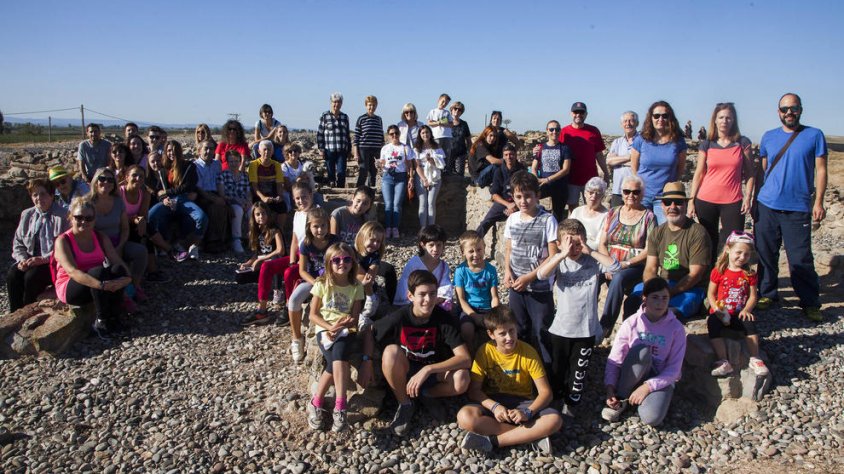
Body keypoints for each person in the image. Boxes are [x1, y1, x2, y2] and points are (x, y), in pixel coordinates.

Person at [755, 93, 828, 321]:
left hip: (798, 207)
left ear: (800, 110)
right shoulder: (768, 137)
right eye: (785, 109)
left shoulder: (814, 135)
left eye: (793, 108)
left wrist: (818, 202)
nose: (789, 113)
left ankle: (809, 301)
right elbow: (763, 171)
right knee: (766, 253)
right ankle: (767, 294)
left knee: (800, 258)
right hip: (767, 204)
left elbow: (821, 170)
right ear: (778, 112)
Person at [536, 219, 620, 416]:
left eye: (577, 244)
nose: (574, 249)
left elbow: (616, 268)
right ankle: (556, 400)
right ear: (560, 243)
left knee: (578, 371)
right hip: (561, 329)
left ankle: (572, 403)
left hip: (586, 329)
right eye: (569, 244)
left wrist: (590, 251)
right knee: (558, 369)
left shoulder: (592, 262)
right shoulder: (560, 261)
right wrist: (560, 254)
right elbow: (541, 274)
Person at [374, 269, 472, 437]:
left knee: (462, 379)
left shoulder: (443, 319)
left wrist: (428, 370)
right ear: (410, 296)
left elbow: (465, 358)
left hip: (434, 373)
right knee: (391, 352)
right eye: (422, 294)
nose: (428, 300)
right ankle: (405, 403)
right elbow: (370, 332)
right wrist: (366, 360)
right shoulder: (400, 317)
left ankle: (426, 395)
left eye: (432, 294)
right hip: (406, 371)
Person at [457, 306, 562, 454]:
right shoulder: (484, 352)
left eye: (512, 330)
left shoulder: (528, 352)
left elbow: (546, 393)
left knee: (554, 420)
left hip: (524, 402)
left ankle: (494, 442)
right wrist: (494, 407)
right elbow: (474, 391)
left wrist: (527, 412)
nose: (509, 337)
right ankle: (530, 435)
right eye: (502, 333)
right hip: (495, 402)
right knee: (464, 417)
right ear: (491, 334)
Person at [601, 277, 686, 426]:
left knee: (652, 418)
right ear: (644, 298)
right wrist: (610, 388)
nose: (660, 303)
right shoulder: (632, 323)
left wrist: (648, 387)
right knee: (642, 351)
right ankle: (622, 398)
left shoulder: (677, 328)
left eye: (664, 298)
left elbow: (674, 369)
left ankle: (642, 398)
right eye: (655, 297)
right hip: (632, 373)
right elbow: (615, 358)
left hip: (659, 379)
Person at [624, 182, 710, 319]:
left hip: (689, 288)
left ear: (685, 205)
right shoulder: (658, 232)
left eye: (678, 202)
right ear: (662, 205)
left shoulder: (697, 233)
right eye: (668, 202)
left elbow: (695, 275)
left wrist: (667, 294)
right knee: (632, 302)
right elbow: (650, 268)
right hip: (663, 283)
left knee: (670, 313)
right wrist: (652, 289)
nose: (673, 207)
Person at [306, 242, 366, 432]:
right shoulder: (322, 283)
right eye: (337, 260)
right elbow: (313, 315)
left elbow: (355, 319)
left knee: (336, 357)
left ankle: (318, 403)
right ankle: (340, 407)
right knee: (338, 357)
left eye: (347, 259)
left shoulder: (356, 286)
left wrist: (342, 326)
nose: (342, 263)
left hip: (346, 330)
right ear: (329, 263)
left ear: (353, 262)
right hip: (325, 330)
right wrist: (330, 327)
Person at [687, 103, 756, 263]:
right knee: (707, 242)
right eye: (721, 117)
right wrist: (691, 200)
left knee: (733, 243)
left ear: (733, 120)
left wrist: (748, 197)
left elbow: (750, 173)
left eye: (728, 118)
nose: (725, 121)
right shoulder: (707, 144)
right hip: (705, 199)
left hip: (732, 200)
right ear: (715, 120)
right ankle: (707, 280)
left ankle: (728, 279)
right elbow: (699, 173)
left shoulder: (742, 142)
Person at [53, 197, 132, 335]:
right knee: (98, 272)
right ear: (71, 218)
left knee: (117, 270)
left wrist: (127, 277)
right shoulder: (63, 241)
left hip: (98, 282)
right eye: (79, 217)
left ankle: (115, 317)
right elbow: (72, 271)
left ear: (94, 220)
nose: (84, 221)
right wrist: (101, 285)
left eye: (89, 218)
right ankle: (101, 321)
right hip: (71, 285)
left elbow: (116, 260)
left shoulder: (100, 237)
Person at [503, 171, 559, 363]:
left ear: (537, 195)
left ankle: (549, 376)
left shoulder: (548, 221)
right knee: (519, 329)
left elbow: (553, 257)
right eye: (518, 196)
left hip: (539, 288)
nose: (523, 201)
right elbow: (509, 247)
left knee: (542, 331)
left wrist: (530, 277)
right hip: (517, 286)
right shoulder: (512, 219)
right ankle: (524, 372)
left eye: (528, 196)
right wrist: (507, 271)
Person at [598, 175, 656, 336]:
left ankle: (605, 326)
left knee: (619, 278)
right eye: (626, 191)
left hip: (634, 264)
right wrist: (610, 264)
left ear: (642, 194)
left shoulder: (649, 217)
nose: (631, 195)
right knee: (593, 277)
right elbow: (602, 243)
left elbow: (649, 249)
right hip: (610, 260)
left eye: (635, 192)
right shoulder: (612, 213)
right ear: (622, 193)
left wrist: (626, 264)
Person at [707, 232, 769, 377]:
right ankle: (723, 361)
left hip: (739, 312)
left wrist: (747, 309)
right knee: (713, 324)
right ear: (728, 249)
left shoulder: (749, 274)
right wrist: (716, 309)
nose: (742, 257)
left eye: (746, 254)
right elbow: (710, 294)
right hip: (722, 311)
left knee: (749, 324)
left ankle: (755, 358)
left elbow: (753, 296)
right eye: (738, 252)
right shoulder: (719, 271)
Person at [89, 167, 148, 311]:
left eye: (110, 180)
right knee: (112, 265)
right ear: (96, 181)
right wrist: (108, 250)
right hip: (97, 245)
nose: (106, 182)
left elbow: (125, 228)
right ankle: (123, 297)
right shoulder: (88, 202)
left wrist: (121, 245)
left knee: (140, 251)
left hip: (117, 241)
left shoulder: (117, 202)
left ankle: (135, 284)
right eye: (102, 179)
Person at [288, 208, 340, 362]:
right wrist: (315, 283)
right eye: (316, 226)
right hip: (313, 280)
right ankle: (296, 338)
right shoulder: (306, 244)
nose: (320, 230)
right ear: (309, 227)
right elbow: (302, 270)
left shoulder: (335, 241)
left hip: (333, 279)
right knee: (293, 301)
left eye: (323, 226)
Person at [8, 179, 68, 312]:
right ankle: (14, 312)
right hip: (30, 259)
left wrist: (43, 259)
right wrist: (22, 259)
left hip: (52, 261)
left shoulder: (63, 216)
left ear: (52, 195)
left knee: (32, 277)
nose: (39, 198)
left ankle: (29, 311)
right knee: (13, 275)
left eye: (43, 194)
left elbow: (64, 247)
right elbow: (18, 242)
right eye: (35, 195)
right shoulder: (27, 214)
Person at [147, 140, 207, 261]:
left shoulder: (188, 166)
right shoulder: (163, 167)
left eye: (174, 149)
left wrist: (167, 192)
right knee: (151, 215)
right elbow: (158, 191)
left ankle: (190, 245)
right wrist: (164, 198)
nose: (171, 152)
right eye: (169, 150)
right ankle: (161, 245)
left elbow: (188, 186)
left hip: (183, 199)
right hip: (167, 201)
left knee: (202, 217)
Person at [631, 101, 688, 225]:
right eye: (656, 116)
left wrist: (670, 184)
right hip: (642, 196)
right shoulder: (641, 139)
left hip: (665, 197)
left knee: (666, 233)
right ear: (650, 118)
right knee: (640, 232)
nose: (660, 119)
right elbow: (634, 167)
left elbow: (681, 168)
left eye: (664, 115)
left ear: (670, 117)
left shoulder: (678, 141)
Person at [239, 202, 286, 327]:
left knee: (272, 260)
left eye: (263, 213)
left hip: (277, 260)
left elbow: (280, 250)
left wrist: (262, 259)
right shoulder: (256, 232)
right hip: (264, 259)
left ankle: (277, 290)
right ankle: (262, 298)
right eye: (257, 214)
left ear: (268, 214)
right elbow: (257, 253)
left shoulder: (274, 229)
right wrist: (249, 262)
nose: (261, 216)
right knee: (246, 270)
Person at [559, 102, 608, 213]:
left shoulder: (593, 131)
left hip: (590, 178)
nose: (578, 115)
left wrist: (606, 172)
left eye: (581, 112)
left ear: (586, 114)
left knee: (593, 207)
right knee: (573, 208)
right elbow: (556, 149)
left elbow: (599, 154)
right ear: (571, 113)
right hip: (572, 178)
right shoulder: (564, 132)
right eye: (576, 112)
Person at [454, 230, 500, 351]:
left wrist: (495, 313)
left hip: (487, 309)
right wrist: (474, 316)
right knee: (467, 330)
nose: (476, 254)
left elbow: (494, 296)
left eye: (479, 250)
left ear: (484, 248)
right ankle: (470, 356)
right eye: (471, 251)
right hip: (469, 309)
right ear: (463, 252)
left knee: (498, 329)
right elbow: (461, 299)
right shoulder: (461, 271)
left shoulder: (490, 270)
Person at [394, 225, 453, 309]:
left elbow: (445, 286)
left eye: (439, 245)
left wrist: (435, 300)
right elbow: (405, 286)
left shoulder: (444, 266)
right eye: (431, 245)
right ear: (423, 245)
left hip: (433, 302)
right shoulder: (414, 263)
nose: (435, 249)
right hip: (412, 303)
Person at [476, 144, 525, 239]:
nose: (509, 157)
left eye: (511, 154)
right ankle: (474, 242)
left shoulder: (522, 170)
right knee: (486, 222)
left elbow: (526, 191)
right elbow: (494, 194)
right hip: (504, 202)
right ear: (503, 156)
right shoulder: (499, 171)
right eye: (506, 155)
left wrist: (515, 205)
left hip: (520, 202)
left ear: (515, 155)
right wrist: (508, 205)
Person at [531, 120, 572, 222]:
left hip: (560, 186)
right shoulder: (540, 148)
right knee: (531, 202)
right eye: (551, 129)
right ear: (547, 131)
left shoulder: (565, 148)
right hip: (543, 184)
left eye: (557, 129)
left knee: (558, 216)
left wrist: (548, 179)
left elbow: (566, 169)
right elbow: (534, 167)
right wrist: (536, 178)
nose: (554, 132)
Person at [379, 124, 415, 239]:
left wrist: (411, 178)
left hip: (401, 177)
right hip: (388, 176)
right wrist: (379, 165)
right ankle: (387, 228)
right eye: (391, 134)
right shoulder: (385, 148)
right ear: (388, 135)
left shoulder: (405, 147)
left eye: (396, 133)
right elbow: (382, 163)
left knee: (397, 204)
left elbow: (410, 164)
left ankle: (395, 228)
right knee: (388, 204)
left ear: (399, 134)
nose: (394, 135)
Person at [194, 140, 230, 253]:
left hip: (217, 192)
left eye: (211, 149)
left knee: (228, 208)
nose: (209, 151)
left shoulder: (216, 164)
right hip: (203, 195)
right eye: (206, 148)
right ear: (199, 151)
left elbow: (220, 182)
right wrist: (215, 199)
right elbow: (199, 188)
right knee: (214, 208)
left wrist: (222, 197)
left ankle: (223, 239)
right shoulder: (195, 166)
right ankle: (211, 242)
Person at [354, 221, 387, 329]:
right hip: (351, 282)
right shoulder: (351, 250)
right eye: (372, 240)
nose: (375, 244)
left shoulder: (375, 255)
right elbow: (356, 270)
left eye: (378, 241)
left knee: (368, 282)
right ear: (362, 237)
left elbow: (371, 274)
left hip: (366, 285)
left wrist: (367, 279)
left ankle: (364, 314)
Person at [217, 150, 251, 254]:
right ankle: (236, 239)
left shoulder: (245, 176)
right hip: (230, 201)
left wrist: (248, 202)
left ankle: (253, 238)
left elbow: (249, 192)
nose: (234, 164)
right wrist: (237, 200)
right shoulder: (222, 175)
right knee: (238, 210)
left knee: (253, 210)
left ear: (240, 162)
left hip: (244, 201)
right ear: (227, 162)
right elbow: (222, 194)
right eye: (231, 161)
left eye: (236, 161)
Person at [248, 140, 287, 230]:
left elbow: (279, 184)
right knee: (262, 208)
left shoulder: (276, 165)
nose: (267, 152)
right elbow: (254, 186)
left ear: (272, 152)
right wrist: (263, 198)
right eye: (264, 149)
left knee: (282, 206)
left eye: (269, 150)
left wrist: (279, 196)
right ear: (259, 151)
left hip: (272, 194)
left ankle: (279, 231)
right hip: (258, 195)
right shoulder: (253, 165)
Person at [317, 92, 352, 188]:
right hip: (329, 149)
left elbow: (347, 134)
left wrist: (349, 150)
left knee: (341, 172)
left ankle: (341, 191)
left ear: (342, 103)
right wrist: (321, 149)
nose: (336, 104)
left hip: (342, 150)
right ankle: (331, 191)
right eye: (335, 102)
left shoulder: (345, 117)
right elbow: (320, 133)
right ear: (331, 102)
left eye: (339, 102)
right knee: (330, 172)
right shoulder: (325, 116)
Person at [414, 125, 446, 228]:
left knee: (431, 202)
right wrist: (424, 179)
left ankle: (431, 229)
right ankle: (423, 229)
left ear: (430, 133)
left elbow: (441, 164)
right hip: (421, 177)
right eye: (423, 133)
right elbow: (417, 166)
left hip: (435, 176)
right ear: (420, 135)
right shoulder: (417, 149)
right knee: (422, 203)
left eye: (427, 132)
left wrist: (431, 160)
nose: (425, 134)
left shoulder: (437, 147)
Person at [607, 112, 640, 207]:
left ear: (637, 123)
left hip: (636, 190)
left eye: (631, 121)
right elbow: (609, 161)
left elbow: (641, 162)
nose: (628, 123)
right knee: (616, 218)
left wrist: (618, 160)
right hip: (618, 189)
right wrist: (629, 157)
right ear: (622, 124)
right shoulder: (617, 142)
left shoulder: (643, 141)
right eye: (625, 121)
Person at [353, 95, 384, 189]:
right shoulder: (361, 119)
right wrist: (355, 152)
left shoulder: (379, 119)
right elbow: (356, 137)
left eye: (374, 105)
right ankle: (359, 191)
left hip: (376, 149)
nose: (372, 107)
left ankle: (371, 193)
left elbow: (381, 136)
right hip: (364, 149)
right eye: (370, 105)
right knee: (363, 171)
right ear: (366, 106)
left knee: (373, 173)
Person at [569, 177, 609, 250]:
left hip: (592, 253)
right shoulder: (576, 211)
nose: (593, 196)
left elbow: (599, 244)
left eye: (598, 194)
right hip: (572, 249)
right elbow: (567, 232)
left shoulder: (606, 215)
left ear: (602, 197)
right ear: (585, 194)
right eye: (591, 192)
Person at [426, 94, 453, 166]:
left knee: (447, 154)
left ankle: (445, 170)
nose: (444, 104)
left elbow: (451, 124)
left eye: (446, 103)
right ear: (438, 100)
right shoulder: (432, 111)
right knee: (437, 154)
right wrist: (438, 123)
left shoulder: (447, 113)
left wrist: (443, 123)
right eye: (443, 101)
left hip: (447, 136)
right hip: (436, 136)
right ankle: (437, 169)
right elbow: (429, 123)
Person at [448, 101, 472, 176]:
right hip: (448, 153)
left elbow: (468, 140)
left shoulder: (464, 124)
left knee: (459, 176)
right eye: (455, 108)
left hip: (460, 154)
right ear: (451, 110)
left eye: (460, 110)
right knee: (447, 175)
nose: (457, 111)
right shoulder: (446, 122)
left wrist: (470, 154)